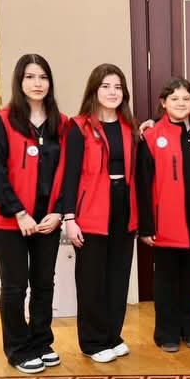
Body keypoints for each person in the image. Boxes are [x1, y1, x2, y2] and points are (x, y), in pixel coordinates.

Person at [0, 54, 67, 374]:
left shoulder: (62, 124)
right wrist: (19, 213)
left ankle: (41, 341)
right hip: (9, 221)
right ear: (19, 82)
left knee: (44, 283)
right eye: (30, 77)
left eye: (43, 77)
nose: (37, 83)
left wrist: (58, 212)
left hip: (47, 220)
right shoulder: (4, 121)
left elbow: (69, 173)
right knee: (15, 286)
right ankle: (18, 349)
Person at [61, 64, 138, 363]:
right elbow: (69, 175)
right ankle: (93, 342)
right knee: (92, 279)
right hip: (90, 211)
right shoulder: (78, 127)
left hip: (123, 208)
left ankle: (112, 336)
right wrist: (69, 218)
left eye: (117, 87)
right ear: (94, 90)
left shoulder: (130, 128)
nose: (112, 92)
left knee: (118, 277)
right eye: (106, 86)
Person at [136, 77, 190, 352]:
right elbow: (143, 184)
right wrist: (146, 226)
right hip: (165, 222)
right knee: (166, 281)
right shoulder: (151, 135)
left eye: (186, 98)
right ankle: (166, 333)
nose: (181, 103)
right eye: (175, 98)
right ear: (163, 102)